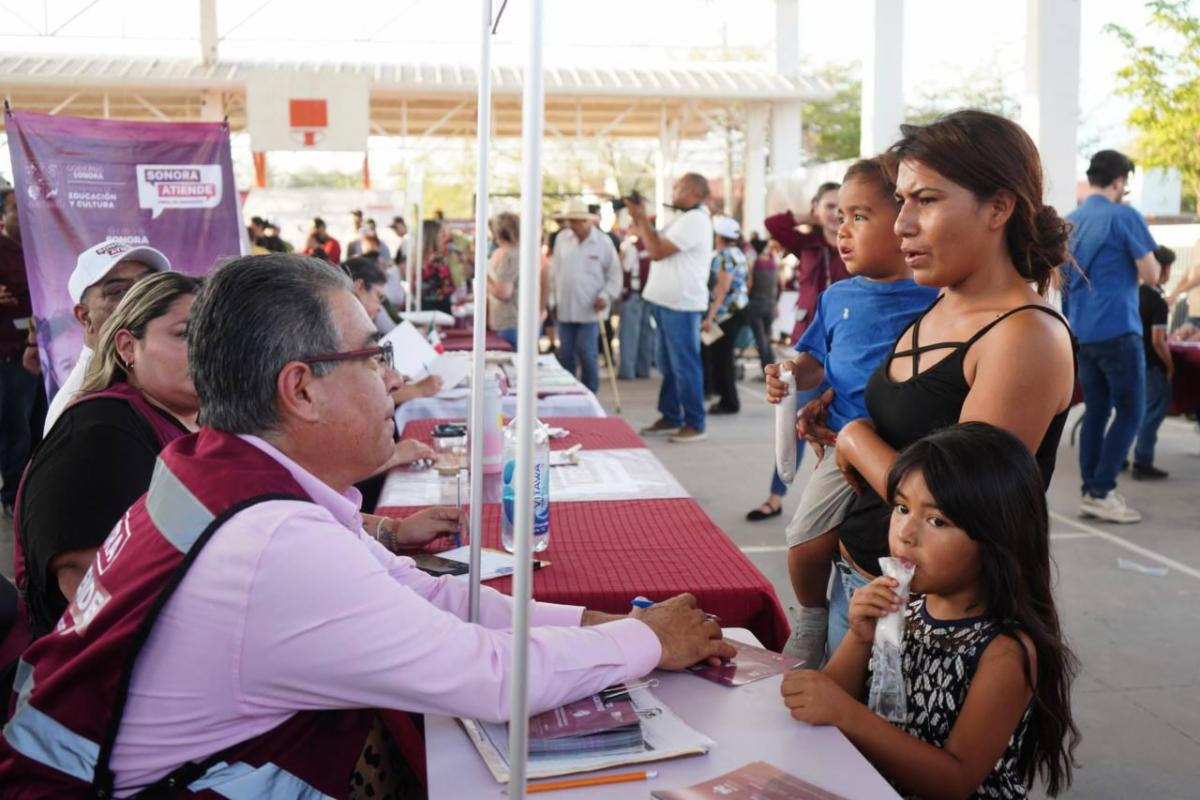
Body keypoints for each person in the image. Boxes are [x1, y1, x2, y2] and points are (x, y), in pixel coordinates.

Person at [0, 254, 735, 796]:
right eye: (373, 356)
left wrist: (601, 622)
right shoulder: (273, 543)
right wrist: (646, 640)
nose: (393, 378)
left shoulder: (221, 466)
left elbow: (429, 593)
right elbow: (486, 676)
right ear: (301, 390)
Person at [819, 110, 1076, 654]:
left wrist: (855, 440)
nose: (901, 224)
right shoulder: (941, 303)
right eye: (901, 200)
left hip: (935, 622)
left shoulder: (1023, 335)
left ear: (998, 208)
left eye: (927, 200)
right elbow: (917, 426)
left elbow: (954, 503)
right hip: (867, 587)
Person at [782, 423, 1078, 799]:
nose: (905, 533)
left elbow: (954, 781)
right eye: (902, 508)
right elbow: (830, 695)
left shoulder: (1004, 652)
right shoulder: (905, 607)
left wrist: (847, 714)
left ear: (996, 537)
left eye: (937, 520)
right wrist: (859, 636)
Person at [764, 157, 938, 666]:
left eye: (860, 217)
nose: (842, 230)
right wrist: (789, 373)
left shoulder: (934, 297)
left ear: (904, 220)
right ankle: (811, 619)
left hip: (904, 455)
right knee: (805, 539)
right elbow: (814, 361)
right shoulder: (838, 296)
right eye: (840, 216)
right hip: (841, 442)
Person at [14, 272, 201, 639]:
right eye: (184, 334)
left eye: (214, 333)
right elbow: (89, 588)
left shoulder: (202, 422)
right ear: (128, 347)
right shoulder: (100, 431)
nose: (205, 348)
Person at [1062, 150, 1162, 522]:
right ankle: (1101, 491)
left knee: (1097, 410)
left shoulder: (1070, 222)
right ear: (1119, 181)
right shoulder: (1124, 216)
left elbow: (1061, 280)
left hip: (1082, 332)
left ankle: (1091, 491)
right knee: (1132, 410)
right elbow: (1152, 274)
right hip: (1118, 328)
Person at [747, 183, 850, 520]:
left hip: (847, 352)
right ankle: (775, 496)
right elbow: (774, 224)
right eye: (830, 206)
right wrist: (813, 216)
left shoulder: (858, 246)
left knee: (845, 429)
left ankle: (840, 504)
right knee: (795, 426)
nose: (836, 214)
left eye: (843, 207)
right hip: (811, 352)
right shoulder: (807, 244)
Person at [43, 240, 170, 435]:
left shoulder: (170, 376)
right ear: (85, 316)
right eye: (118, 292)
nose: (143, 297)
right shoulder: (76, 409)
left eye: (150, 284)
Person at [627, 174, 715, 443]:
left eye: (678, 187)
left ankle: (694, 422)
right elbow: (653, 243)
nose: (673, 191)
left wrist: (641, 218)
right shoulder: (685, 218)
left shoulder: (695, 219)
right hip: (668, 303)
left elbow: (656, 251)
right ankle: (671, 415)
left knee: (684, 366)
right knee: (669, 366)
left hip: (681, 304)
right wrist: (642, 221)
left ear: (694, 192)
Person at [549, 199, 622, 393]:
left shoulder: (603, 242)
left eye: (577, 221)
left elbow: (615, 276)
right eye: (571, 221)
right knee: (565, 353)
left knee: (587, 353)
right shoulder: (562, 239)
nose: (573, 225)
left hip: (590, 309)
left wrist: (605, 296)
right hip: (565, 307)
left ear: (587, 221)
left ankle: (590, 392)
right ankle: (568, 392)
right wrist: (552, 301)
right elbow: (554, 273)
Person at [0, 188, 41, 517]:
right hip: (11, 359)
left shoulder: (43, 247)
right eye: (17, 208)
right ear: (4, 216)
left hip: (45, 354)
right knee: (17, 433)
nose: (25, 214)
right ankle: (14, 499)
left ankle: (35, 493)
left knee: (41, 430)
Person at [1132, 245, 1176, 480]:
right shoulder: (1158, 301)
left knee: (1137, 412)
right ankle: (1143, 460)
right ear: (1164, 269)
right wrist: (1170, 365)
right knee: (1153, 412)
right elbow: (1158, 340)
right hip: (1153, 365)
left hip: (1136, 362)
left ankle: (1121, 457)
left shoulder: (1135, 294)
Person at [702, 216, 750, 414]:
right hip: (736, 309)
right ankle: (724, 397)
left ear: (719, 236)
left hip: (726, 314)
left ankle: (728, 401)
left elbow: (722, 288)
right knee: (722, 356)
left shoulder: (724, 257)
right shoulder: (738, 253)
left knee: (722, 357)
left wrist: (710, 317)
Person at [617, 223, 656, 380]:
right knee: (646, 334)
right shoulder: (652, 247)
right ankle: (643, 369)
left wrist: (621, 257)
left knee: (629, 334)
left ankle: (627, 370)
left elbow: (626, 267)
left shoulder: (632, 248)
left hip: (633, 293)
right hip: (648, 293)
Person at [744, 236, 779, 379]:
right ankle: (773, 368)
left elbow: (749, 285)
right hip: (770, 304)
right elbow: (779, 284)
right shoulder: (773, 263)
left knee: (761, 340)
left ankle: (767, 372)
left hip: (756, 305)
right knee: (767, 337)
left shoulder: (754, 264)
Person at [487, 210, 521, 349]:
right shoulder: (511, 253)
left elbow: (503, 293)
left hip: (509, 321)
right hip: (507, 321)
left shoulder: (510, 255)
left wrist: (484, 278)